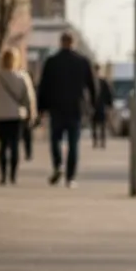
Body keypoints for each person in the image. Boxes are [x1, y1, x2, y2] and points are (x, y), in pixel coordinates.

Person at [36, 31, 96, 187]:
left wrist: (40, 108)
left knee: (55, 139)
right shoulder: (82, 61)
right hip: (75, 108)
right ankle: (70, 178)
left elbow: (43, 86)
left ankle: (58, 165)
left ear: (61, 42)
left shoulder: (52, 61)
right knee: (73, 144)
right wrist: (93, 106)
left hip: (56, 108)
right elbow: (92, 85)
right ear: (73, 43)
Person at [0, 47, 37, 186]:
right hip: (16, 115)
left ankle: (3, 175)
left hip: (0, 114)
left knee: (2, 144)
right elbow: (29, 98)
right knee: (14, 145)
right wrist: (32, 114)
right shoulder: (22, 77)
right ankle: (13, 175)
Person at [92, 64, 114, 149]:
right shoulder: (91, 82)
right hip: (93, 106)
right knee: (94, 125)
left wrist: (109, 106)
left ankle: (102, 141)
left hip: (101, 106)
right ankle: (95, 141)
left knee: (102, 125)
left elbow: (109, 94)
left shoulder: (104, 82)